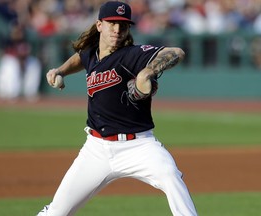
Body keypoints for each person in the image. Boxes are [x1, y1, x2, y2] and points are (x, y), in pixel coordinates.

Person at [37, 1, 198, 216]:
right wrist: (60, 71)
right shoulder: (91, 54)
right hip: (95, 150)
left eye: (123, 25)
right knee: (57, 211)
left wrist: (147, 72)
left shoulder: (133, 54)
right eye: (112, 23)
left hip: (138, 146)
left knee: (170, 175)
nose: (117, 29)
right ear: (99, 25)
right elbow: (81, 57)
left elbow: (176, 52)